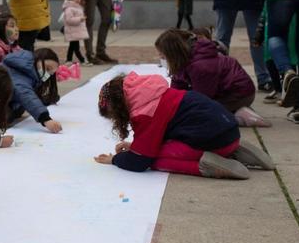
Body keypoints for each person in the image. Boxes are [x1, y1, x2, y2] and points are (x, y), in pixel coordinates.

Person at [94, 72, 274, 178]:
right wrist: (135, 146)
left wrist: (114, 160)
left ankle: (207, 166)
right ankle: (236, 149)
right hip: (228, 131)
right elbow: (160, 134)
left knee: (155, 160)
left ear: (118, 108)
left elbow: (140, 161)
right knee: (155, 150)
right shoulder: (152, 94)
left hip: (215, 140)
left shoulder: (145, 112)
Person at [155, 29, 269, 127]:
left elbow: (203, 99)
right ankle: (232, 111)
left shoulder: (201, 66)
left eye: (163, 54)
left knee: (196, 118)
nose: (161, 57)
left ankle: (239, 117)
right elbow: (178, 86)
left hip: (239, 95)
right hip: (223, 92)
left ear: (173, 53)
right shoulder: (186, 59)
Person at [2, 48, 63, 133]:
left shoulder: (29, 71)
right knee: (6, 116)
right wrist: (45, 119)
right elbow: (24, 93)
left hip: (1, 103)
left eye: (51, 73)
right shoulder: (19, 71)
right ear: (38, 59)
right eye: (47, 68)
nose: (47, 74)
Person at [61, 0, 89, 65]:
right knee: (75, 48)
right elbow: (69, 20)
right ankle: (82, 60)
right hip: (72, 31)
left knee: (72, 46)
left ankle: (69, 60)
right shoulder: (70, 8)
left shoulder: (77, 7)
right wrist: (80, 19)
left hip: (75, 31)